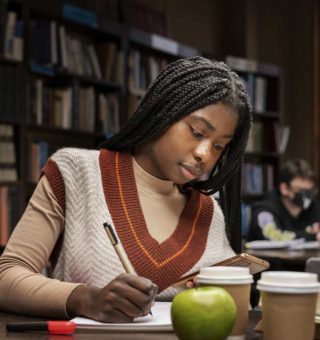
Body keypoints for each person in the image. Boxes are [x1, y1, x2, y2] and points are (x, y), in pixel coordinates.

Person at [0, 57, 252, 322]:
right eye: (197, 132)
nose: (204, 154)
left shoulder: (208, 213)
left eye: (219, 146)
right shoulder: (76, 173)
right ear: (161, 111)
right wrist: (86, 299)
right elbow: (6, 277)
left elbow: (238, 310)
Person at [248, 159, 320, 241]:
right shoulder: (264, 210)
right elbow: (274, 236)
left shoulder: (314, 207)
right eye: (302, 191)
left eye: (311, 191)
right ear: (284, 188)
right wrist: (314, 237)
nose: (307, 196)